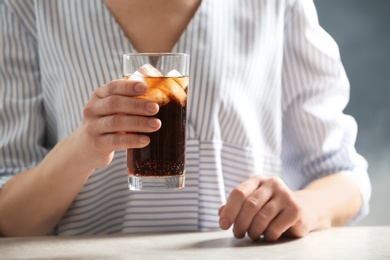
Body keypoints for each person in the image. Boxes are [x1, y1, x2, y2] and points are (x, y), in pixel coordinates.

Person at [0, 0, 371, 241]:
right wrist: (84, 147)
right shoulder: (27, 6)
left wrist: (300, 207)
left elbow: (342, 174)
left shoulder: (278, 5)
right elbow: (9, 218)